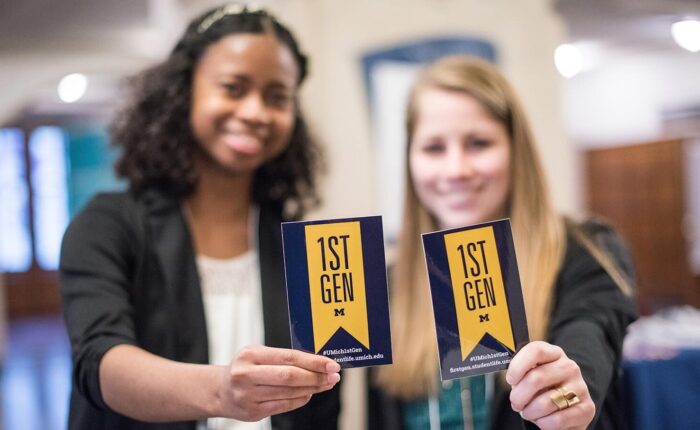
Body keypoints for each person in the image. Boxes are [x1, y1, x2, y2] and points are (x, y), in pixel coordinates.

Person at [59, 4, 341, 429]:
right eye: (233, 87)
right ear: (184, 91)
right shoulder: (108, 225)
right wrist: (222, 391)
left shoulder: (299, 243)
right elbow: (101, 364)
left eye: (277, 96)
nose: (255, 112)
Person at [368, 56, 637, 430]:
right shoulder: (388, 283)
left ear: (515, 149)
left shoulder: (586, 251)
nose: (457, 169)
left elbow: (589, 336)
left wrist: (567, 391)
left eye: (479, 143)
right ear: (410, 159)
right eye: (433, 147)